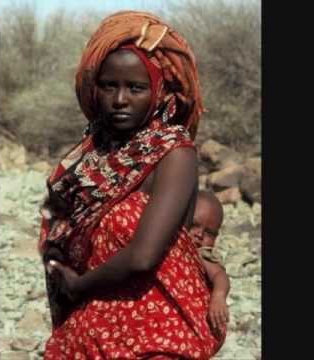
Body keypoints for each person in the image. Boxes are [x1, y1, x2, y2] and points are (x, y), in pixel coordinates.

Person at [38, 10, 226, 359]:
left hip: (157, 326)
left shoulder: (173, 152)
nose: (120, 99)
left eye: (136, 88)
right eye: (110, 85)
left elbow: (143, 256)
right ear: (95, 90)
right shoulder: (93, 156)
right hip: (93, 325)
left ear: (158, 93)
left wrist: (78, 286)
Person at [190, 190, 230, 334]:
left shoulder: (201, 254)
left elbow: (220, 275)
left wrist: (218, 296)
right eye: (193, 224)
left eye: (209, 233)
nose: (199, 235)